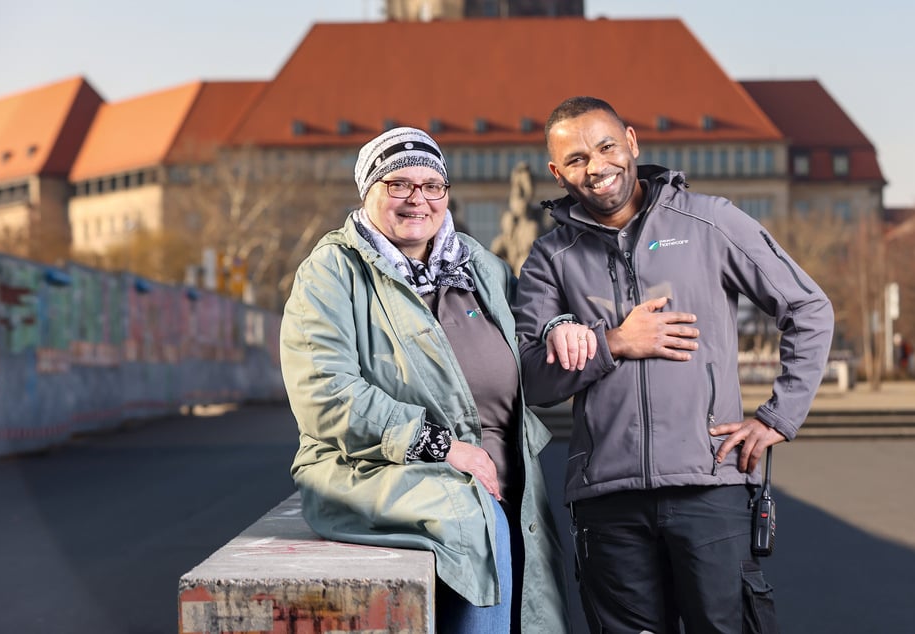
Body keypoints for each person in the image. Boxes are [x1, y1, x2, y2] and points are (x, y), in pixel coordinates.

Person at [512, 97, 834, 634]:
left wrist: (779, 416)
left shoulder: (709, 221)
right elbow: (528, 378)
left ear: (632, 142)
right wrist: (614, 342)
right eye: (575, 159)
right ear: (556, 171)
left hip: (709, 485)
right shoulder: (551, 258)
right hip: (607, 502)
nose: (595, 167)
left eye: (606, 146)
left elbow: (807, 307)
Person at [279, 127, 570, 634]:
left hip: (507, 481)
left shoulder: (481, 266)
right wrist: (440, 446)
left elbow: (533, 331)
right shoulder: (332, 272)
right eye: (398, 185)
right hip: (374, 470)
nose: (419, 199)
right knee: (476, 521)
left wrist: (569, 328)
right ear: (367, 191)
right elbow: (326, 393)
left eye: (433, 185)